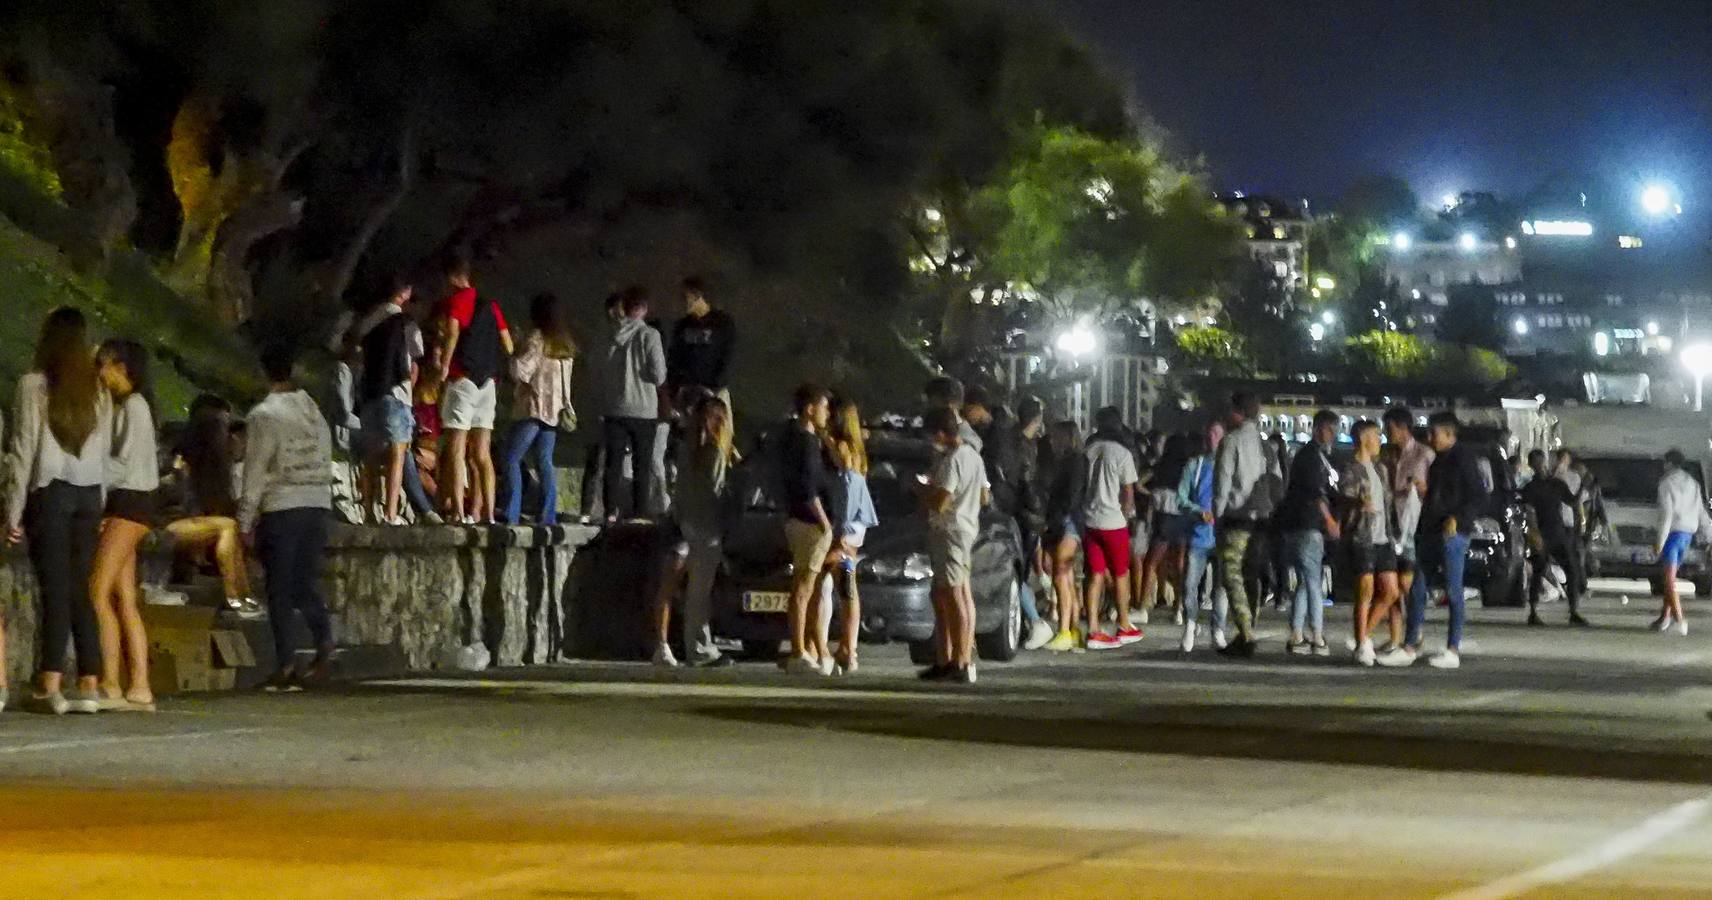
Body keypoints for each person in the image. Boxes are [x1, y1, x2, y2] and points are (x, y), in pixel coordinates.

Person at [7, 308, 112, 715]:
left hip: (51, 493)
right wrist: (100, 501)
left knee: (55, 587)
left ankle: (49, 681)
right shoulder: (97, 389)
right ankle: (89, 681)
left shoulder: (34, 385)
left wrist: (13, 510)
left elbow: (23, 449)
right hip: (88, 494)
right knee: (79, 586)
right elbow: (101, 453)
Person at [242, 343, 336, 691]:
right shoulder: (316, 414)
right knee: (304, 581)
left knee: (279, 589)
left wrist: (245, 520)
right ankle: (324, 638)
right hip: (317, 501)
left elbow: (255, 471)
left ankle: (285, 663)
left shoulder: (264, 415)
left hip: (282, 506)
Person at [89, 339, 159, 710]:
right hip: (131, 503)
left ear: (121, 366)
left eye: (104, 365)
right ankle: (138, 685)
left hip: (129, 502)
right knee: (124, 597)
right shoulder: (126, 407)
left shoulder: (134, 407)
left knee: (97, 592)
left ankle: (112, 681)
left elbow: (120, 464)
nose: (100, 374)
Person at [651, 395, 739, 669]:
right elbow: (716, 491)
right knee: (700, 592)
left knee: (680, 589)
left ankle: (680, 645)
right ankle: (700, 648)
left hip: (685, 522)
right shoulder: (715, 451)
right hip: (707, 526)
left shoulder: (687, 449)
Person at [164, 395, 261, 619]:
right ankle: (235, 596)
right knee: (227, 527)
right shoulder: (182, 462)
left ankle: (242, 596)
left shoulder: (216, 469)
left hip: (195, 527)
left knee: (230, 527)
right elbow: (176, 499)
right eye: (221, 426)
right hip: (172, 527)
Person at [1402, 412, 1486, 670]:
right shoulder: (1438, 461)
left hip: (1452, 534)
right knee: (1418, 587)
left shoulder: (1463, 458)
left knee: (1453, 590)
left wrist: (1457, 519)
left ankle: (1452, 649)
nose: (1430, 438)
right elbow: (1435, 498)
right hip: (1429, 531)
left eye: (1434, 433)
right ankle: (1410, 644)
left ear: (1450, 434)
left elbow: (1478, 495)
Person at [356, 274, 439, 525]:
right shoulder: (405, 322)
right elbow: (414, 360)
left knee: (370, 456)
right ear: (403, 293)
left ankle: (369, 512)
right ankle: (390, 514)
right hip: (396, 391)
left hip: (370, 392)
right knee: (397, 452)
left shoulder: (368, 321)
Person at [436, 257, 513, 523]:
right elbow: (508, 344)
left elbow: (453, 333)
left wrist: (444, 366)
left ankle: (458, 512)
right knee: (482, 454)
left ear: (454, 277)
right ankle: (487, 514)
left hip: (463, 379)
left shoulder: (458, 301)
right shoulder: (491, 305)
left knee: (457, 448)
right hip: (488, 384)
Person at [809, 397, 878, 675]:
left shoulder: (842, 449)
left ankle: (832, 647)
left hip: (845, 526)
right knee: (845, 584)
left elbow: (847, 485)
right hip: (854, 527)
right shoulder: (858, 450)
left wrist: (841, 534)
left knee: (825, 580)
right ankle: (848, 647)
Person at [920, 405, 985, 683]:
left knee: (955, 594)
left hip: (951, 530)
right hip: (967, 528)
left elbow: (941, 500)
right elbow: (984, 496)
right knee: (954, 593)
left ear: (939, 433)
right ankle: (951, 659)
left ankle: (960, 660)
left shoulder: (954, 459)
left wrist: (922, 490)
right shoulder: (974, 457)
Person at [501, 292, 577, 525]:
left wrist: (514, 350)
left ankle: (511, 512)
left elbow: (520, 371)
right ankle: (548, 515)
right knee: (544, 460)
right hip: (555, 411)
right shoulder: (565, 343)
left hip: (533, 408)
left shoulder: (536, 339)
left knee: (511, 457)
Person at [983, 395, 1052, 650]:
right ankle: (1032, 621)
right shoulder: (1026, 446)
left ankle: (1033, 621)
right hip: (1024, 515)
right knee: (1018, 571)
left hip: (1017, 514)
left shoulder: (1015, 445)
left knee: (1016, 572)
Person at [600, 286, 667, 522]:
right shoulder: (650, 336)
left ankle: (609, 510)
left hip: (614, 407)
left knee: (613, 463)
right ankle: (639, 513)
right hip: (643, 408)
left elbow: (601, 367)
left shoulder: (609, 334)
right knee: (642, 463)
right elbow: (659, 375)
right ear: (644, 309)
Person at [780, 384, 834, 675]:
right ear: (811, 409)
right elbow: (808, 487)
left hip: (800, 519)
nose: (827, 413)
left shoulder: (795, 440)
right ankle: (799, 650)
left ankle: (811, 649)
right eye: (824, 407)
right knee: (804, 587)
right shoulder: (805, 443)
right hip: (810, 522)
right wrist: (824, 522)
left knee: (808, 588)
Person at [1212, 392, 1270, 657]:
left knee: (1231, 574)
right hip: (1262, 517)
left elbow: (1223, 483)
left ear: (1237, 411)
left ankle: (1246, 632)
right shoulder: (1263, 443)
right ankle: (1249, 628)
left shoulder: (1231, 441)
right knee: (1251, 574)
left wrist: (1217, 514)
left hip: (1237, 516)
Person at [1279, 409, 1341, 656]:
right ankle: (1317, 635)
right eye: (1330, 430)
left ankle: (1296, 633)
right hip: (1308, 525)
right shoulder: (1312, 457)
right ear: (1318, 429)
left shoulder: (1313, 456)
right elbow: (1316, 493)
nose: (1333, 435)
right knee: (1314, 581)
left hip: (1301, 525)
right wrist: (1329, 520)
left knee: (1306, 581)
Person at [1081, 406, 1142, 651]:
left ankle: (1094, 628)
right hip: (1113, 522)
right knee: (1120, 574)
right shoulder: (1122, 454)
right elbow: (1128, 491)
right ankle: (1124, 623)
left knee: (1095, 574)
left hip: (1089, 520)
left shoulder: (1088, 452)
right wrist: (1126, 515)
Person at [1341, 420, 1400, 667]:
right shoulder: (1351, 469)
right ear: (1365, 438)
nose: (1379, 440)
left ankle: (1363, 637)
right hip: (1362, 536)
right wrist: (1357, 504)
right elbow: (1343, 498)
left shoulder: (1380, 469)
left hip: (1383, 536)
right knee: (1365, 589)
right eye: (1376, 435)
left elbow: (1388, 501)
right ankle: (1362, 643)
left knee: (1390, 590)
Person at [1520, 449, 1589, 627]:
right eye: (1536, 462)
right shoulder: (1532, 488)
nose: (1540, 465)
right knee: (1539, 572)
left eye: (1541, 461)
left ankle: (1573, 611)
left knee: (1571, 570)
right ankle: (1534, 613)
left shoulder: (1554, 484)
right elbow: (1528, 513)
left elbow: (1572, 502)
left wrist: (1583, 486)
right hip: (1544, 536)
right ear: (1532, 465)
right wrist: (1534, 535)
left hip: (1557, 534)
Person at [1039, 420, 1087, 652]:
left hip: (1068, 520)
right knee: (1066, 577)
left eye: (1056, 436)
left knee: (1061, 573)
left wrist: (1058, 515)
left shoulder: (1075, 461)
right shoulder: (1066, 460)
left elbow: (1073, 494)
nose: (1052, 440)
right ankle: (1073, 629)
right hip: (1066, 519)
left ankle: (1065, 630)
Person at [1138, 434, 1188, 629]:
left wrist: (1153, 494)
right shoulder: (1187, 467)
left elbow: (1139, 483)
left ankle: (1142, 606)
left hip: (1164, 517)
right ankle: (1178, 607)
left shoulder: (1161, 465)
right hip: (1182, 516)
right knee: (1179, 564)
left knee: (1152, 562)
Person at [1175, 431, 1219, 653]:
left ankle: (1217, 628)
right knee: (1190, 584)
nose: (1213, 439)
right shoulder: (1195, 466)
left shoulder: (1228, 465)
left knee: (1221, 587)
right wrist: (1198, 511)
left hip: (1221, 534)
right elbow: (1180, 498)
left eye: (1218, 435)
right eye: (1211, 434)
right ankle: (1191, 624)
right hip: (1199, 534)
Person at [1652, 449, 1704, 635]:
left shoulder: (1666, 483)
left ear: (1669, 463)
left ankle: (1679, 620)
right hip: (1687, 536)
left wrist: (1660, 540)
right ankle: (1665, 618)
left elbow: (1666, 515)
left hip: (1673, 536)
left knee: (1668, 580)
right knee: (1670, 579)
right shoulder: (1693, 483)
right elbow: (1700, 510)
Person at [666, 276, 736, 406]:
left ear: (697, 297)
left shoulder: (722, 323)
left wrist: (714, 387)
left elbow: (728, 356)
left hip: (713, 393)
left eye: (685, 297)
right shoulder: (682, 326)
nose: (681, 302)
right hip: (687, 393)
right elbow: (674, 358)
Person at [924, 376, 982, 452]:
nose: (929, 405)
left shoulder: (968, 439)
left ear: (949, 404)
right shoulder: (928, 423)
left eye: (933, 401)